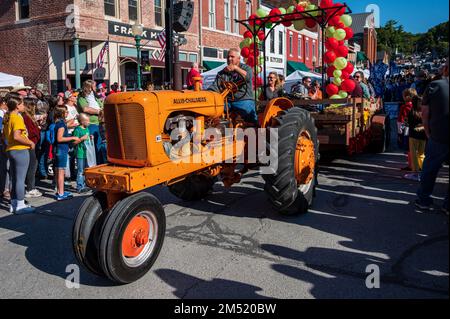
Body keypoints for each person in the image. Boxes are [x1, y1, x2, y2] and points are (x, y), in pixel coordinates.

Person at [415, 62, 449, 214]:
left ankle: (424, 200)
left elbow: (425, 114)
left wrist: (428, 132)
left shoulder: (435, 85)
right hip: (439, 134)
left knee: (430, 169)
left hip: (439, 135)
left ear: (446, 69)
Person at [3, 95, 36, 214]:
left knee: (13, 178)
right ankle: (20, 204)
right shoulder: (16, 117)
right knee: (20, 179)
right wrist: (30, 142)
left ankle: (14, 203)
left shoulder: (7, 117)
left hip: (11, 149)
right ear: (17, 106)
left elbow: (4, 136)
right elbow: (17, 136)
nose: (23, 106)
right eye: (22, 104)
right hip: (20, 149)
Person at [208, 48, 256, 124]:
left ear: (239, 59)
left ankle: (255, 128)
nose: (229, 59)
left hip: (243, 99)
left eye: (232, 57)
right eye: (228, 57)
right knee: (212, 111)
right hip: (228, 101)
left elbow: (248, 77)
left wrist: (236, 68)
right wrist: (207, 94)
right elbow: (215, 87)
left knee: (248, 112)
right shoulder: (222, 73)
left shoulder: (246, 68)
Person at [53, 106, 80, 201]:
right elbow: (59, 138)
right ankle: (61, 193)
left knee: (58, 171)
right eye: (66, 112)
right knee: (61, 172)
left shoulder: (60, 123)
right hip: (61, 150)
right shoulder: (60, 125)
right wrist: (73, 138)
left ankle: (60, 191)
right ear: (62, 114)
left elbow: (66, 125)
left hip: (58, 150)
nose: (68, 113)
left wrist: (74, 120)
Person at [77, 80, 104, 164]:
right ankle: (92, 165)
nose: (96, 88)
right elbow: (86, 109)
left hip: (99, 123)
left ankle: (99, 164)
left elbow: (102, 106)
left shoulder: (95, 97)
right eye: (94, 86)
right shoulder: (82, 98)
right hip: (90, 124)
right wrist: (99, 112)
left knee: (99, 145)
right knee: (91, 147)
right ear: (90, 87)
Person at [404, 96, 427, 182]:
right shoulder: (425, 112)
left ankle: (415, 173)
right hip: (423, 136)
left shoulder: (412, 112)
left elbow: (408, 123)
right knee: (421, 154)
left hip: (413, 136)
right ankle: (424, 171)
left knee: (414, 155)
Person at [22, 98, 42, 198]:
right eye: (33, 105)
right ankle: (30, 188)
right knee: (32, 166)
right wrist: (37, 130)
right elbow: (29, 132)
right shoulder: (26, 117)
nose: (35, 107)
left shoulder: (29, 117)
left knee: (33, 165)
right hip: (30, 144)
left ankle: (30, 186)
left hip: (33, 143)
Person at [398, 88, 418, 171]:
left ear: (406, 97)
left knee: (409, 149)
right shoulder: (416, 106)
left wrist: (399, 131)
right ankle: (415, 165)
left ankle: (411, 165)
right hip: (416, 129)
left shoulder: (404, 107)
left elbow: (401, 120)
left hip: (406, 129)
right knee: (415, 149)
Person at [72, 113, 91, 193]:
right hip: (80, 153)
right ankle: (79, 187)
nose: (89, 122)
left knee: (86, 169)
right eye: (87, 121)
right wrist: (81, 139)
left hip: (87, 152)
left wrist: (90, 137)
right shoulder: (77, 130)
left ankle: (85, 185)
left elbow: (88, 138)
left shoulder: (87, 129)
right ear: (82, 122)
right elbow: (74, 142)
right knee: (80, 170)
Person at [0, 96, 11, 200]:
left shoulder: (4, 114)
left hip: (4, 143)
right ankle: (5, 189)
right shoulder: (1, 114)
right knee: (5, 167)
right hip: (3, 144)